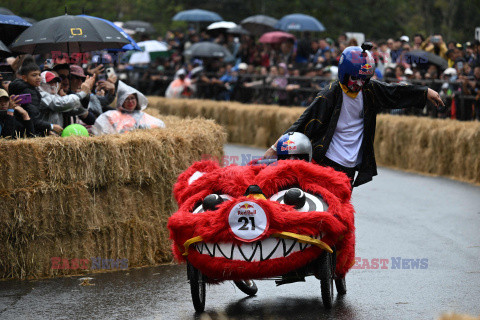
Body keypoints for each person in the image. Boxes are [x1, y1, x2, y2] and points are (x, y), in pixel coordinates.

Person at [263, 44, 444, 188]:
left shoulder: (369, 89)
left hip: (350, 165)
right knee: (323, 205)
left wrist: (425, 91)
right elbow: (304, 121)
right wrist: (275, 147)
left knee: (342, 212)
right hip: (327, 160)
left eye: (363, 79)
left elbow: (394, 92)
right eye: (355, 78)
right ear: (344, 74)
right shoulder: (330, 94)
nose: (359, 84)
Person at [8, 56, 63, 136]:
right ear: (25, 78)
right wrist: (51, 126)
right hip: (25, 133)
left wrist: (46, 131)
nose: (38, 78)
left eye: (39, 75)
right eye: (34, 75)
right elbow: (33, 119)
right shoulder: (29, 92)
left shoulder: (26, 89)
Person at [92, 81, 165, 135]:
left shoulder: (143, 116)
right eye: (127, 99)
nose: (130, 101)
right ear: (121, 102)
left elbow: (160, 126)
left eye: (132, 98)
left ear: (137, 100)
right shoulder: (111, 115)